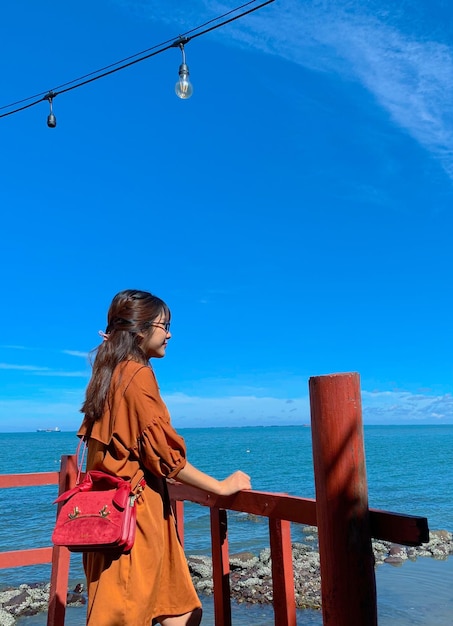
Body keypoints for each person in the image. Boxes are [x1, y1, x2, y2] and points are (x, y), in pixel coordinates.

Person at [77, 289, 251, 626]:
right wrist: (219, 486)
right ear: (140, 330)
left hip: (110, 515)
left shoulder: (106, 375)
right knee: (130, 615)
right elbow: (166, 457)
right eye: (164, 325)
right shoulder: (136, 375)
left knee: (180, 609)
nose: (169, 333)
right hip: (134, 521)